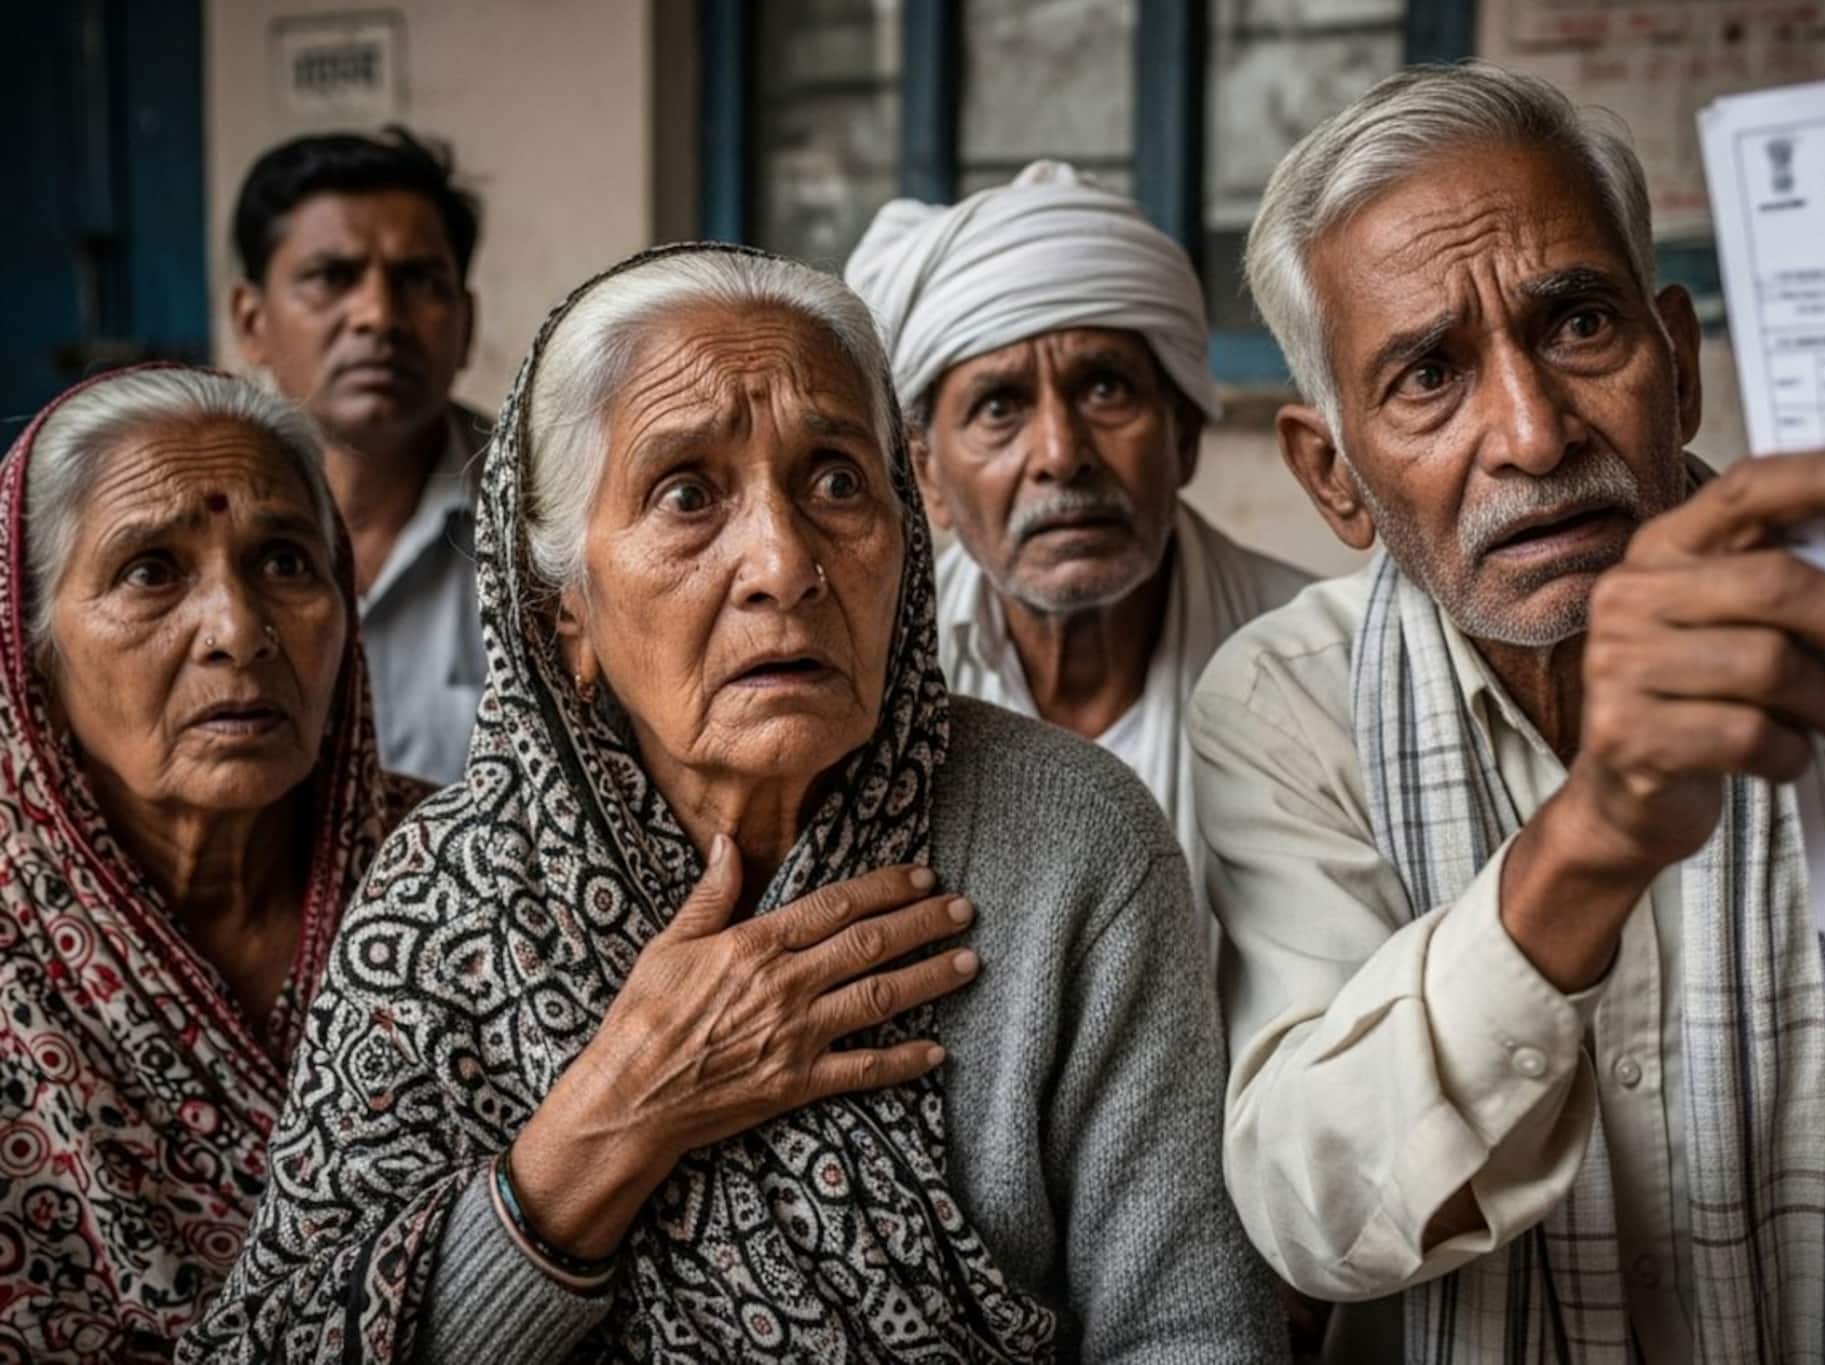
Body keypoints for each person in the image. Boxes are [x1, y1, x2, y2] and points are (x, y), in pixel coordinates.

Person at [179, 244, 1287, 1364]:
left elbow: (1189, 1333)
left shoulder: (1068, 841)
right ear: (564, 609)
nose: (781, 562)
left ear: (905, 541)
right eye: (686, 494)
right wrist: (617, 1113)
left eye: (836, 481)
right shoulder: (445, 901)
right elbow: (284, 1342)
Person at [1191, 62, 1825, 1363]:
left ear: (1679, 366)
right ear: (1333, 474)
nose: (1534, 433)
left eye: (1580, 325)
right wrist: (1597, 834)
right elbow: (1314, 1208)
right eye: (1428, 373)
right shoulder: (1281, 705)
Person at [0, 365, 427, 1362]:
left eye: (285, 562)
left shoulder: (475, 884)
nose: (238, 632)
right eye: (151, 572)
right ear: (32, 647)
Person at [845, 163, 1309, 901]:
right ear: (925, 475)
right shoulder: (865, 679)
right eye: (999, 405)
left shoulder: (1317, 666)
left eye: (1105, 388)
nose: (1062, 455)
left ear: (1183, 433)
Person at [229, 126, 487, 785]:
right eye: (332, 278)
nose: (377, 315)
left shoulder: (554, 520)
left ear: (466, 325)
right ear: (251, 321)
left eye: (418, 280)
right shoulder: (191, 524)